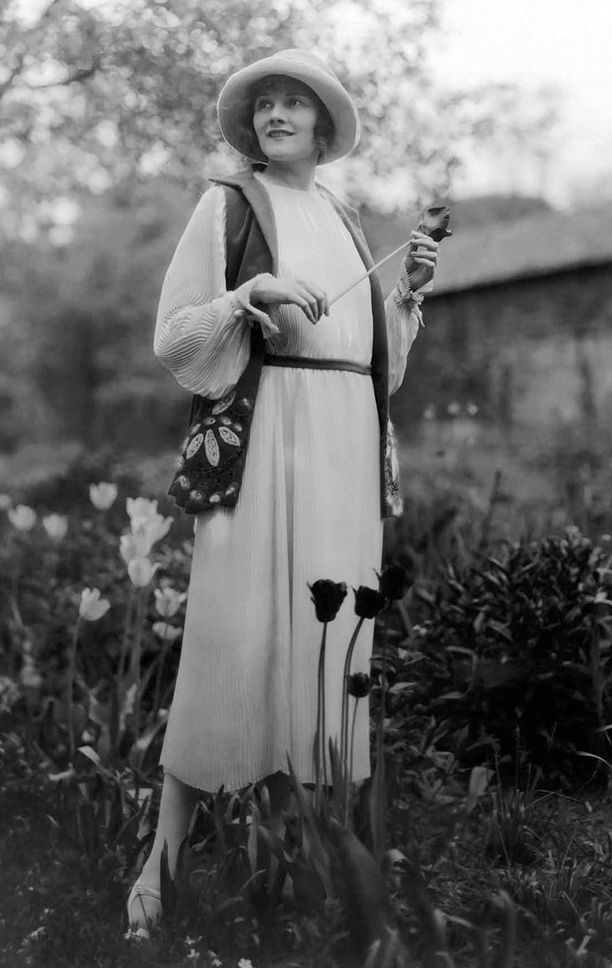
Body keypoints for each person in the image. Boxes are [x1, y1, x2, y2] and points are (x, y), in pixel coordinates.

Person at [128, 48, 440, 933]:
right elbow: (176, 338)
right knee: (234, 626)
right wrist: (247, 293)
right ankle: (161, 862)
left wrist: (406, 297)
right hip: (264, 436)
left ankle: (317, 860)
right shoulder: (227, 205)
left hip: (342, 438)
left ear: (322, 125)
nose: (275, 115)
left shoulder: (343, 219)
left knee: (330, 640)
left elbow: (376, 361)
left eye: (292, 104)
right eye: (262, 104)